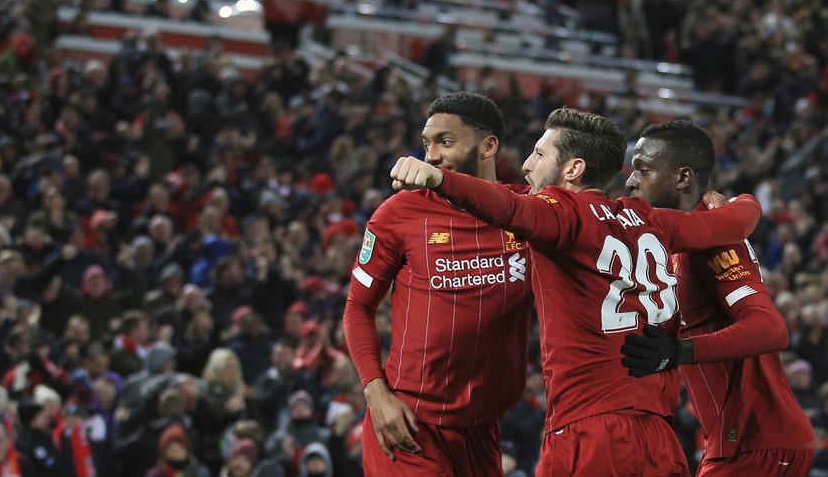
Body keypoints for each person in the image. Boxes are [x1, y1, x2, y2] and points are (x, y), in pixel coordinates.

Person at [387, 107, 763, 476]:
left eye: (538, 154)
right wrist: (739, 200)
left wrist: (440, 179)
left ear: (572, 169)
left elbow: (503, 207)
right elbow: (737, 221)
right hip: (659, 439)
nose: (526, 166)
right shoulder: (652, 219)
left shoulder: (561, 214)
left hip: (591, 434)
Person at [343, 92, 535, 476]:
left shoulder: (530, 214)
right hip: (410, 422)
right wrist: (375, 392)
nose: (431, 157)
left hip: (483, 427)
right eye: (427, 144)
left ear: (488, 145)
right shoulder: (399, 213)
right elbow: (358, 307)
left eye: (446, 142)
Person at [621, 119, 814, 475]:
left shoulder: (711, 240)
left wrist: (678, 353)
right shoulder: (691, 234)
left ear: (683, 178)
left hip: (755, 441)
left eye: (643, 169)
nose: (631, 181)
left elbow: (771, 328)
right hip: (740, 439)